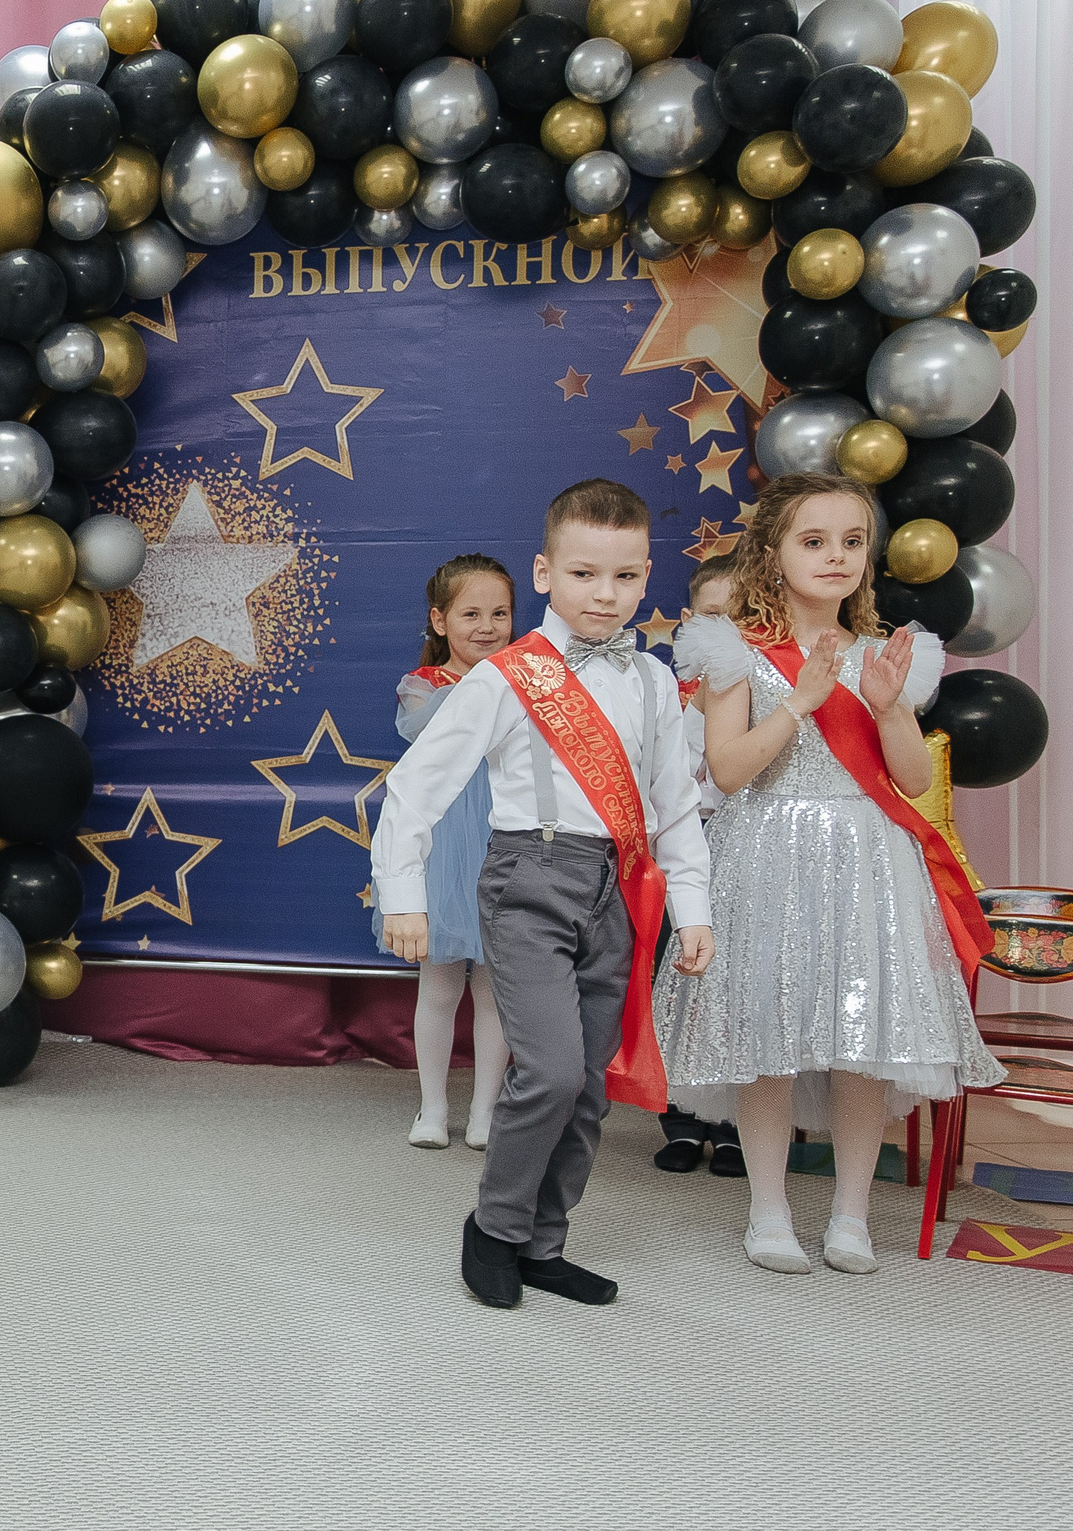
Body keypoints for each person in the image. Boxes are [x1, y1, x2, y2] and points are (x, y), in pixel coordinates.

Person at [372, 479, 713, 1310]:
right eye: (586, 574)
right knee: (553, 1070)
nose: (607, 594)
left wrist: (693, 907)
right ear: (545, 571)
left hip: (616, 889)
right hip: (530, 876)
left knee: (590, 1082)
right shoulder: (508, 677)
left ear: (645, 574)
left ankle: (542, 1240)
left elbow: (675, 803)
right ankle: (491, 1225)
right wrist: (403, 894)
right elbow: (415, 787)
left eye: (626, 576)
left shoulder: (654, 681)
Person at [651, 472, 1000, 1275]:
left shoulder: (886, 655)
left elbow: (911, 779)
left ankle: (851, 1213)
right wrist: (799, 702)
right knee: (767, 1034)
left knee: (860, 1040)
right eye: (814, 540)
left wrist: (885, 707)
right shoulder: (733, 650)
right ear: (773, 552)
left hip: (867, 861)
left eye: (851, 542)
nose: (835, 556)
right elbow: (730, 769)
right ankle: (768, 1211)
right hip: (767, 852)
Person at [373, 554, 513, 1151]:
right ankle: (433, 1106)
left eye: (500, 613)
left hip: (505, 841)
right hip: (443, 848)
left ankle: (485, 1110)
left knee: (496, 990)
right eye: (471, 613)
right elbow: (427, 735)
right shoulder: (423, 686)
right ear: (440, 620)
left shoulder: (519, 681)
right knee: (439, 985)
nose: (487, 626)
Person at [651, 556, 745, 1178]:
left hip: (748, 848)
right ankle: (681, 1118)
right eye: (714, 616)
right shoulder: (663, 693)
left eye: (741, 618)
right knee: (679, 975)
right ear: (688, 622)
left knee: (742, 982)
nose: (727, 631)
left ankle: (739, 1122)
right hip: (683, 849)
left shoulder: (769, 686)